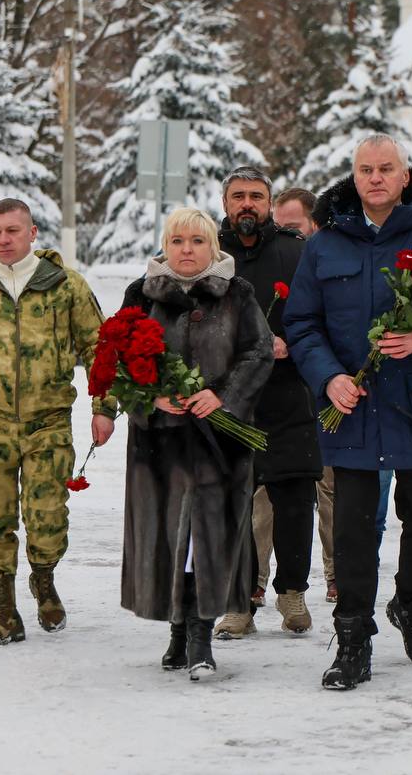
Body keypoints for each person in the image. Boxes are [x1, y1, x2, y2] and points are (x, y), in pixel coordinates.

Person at [285, 133, 412, 691]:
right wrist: (329, 378)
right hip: (355, 406)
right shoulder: (325, 244)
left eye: (386, 169)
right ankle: (352, 637)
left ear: (404, 176)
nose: (375, 178)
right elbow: (301, 323)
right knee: (352, 527)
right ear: (354, 177)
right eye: (365, 169)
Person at [0, 199, 117, 645]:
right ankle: (4, 612)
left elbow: (99, 349)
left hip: (47, 423)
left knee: (47, 517)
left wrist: (104, 408)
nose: (3, 240)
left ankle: (44, 580)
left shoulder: (66, 286)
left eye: (13, 231)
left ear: (32, 233)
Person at [118, 206, 273, 679]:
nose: (187, 250)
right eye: (178, 241)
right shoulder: (140, 295)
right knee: (167, 538)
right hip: (158, 444)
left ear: (213, 246)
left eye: (197, 241)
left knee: (209, 539)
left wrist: (221, 396)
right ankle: (177, 630)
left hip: (217, 442)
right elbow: (116, 358)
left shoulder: (238, 293)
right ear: (166, 245)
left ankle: (201, 635)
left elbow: (259, 351)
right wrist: (152, 398)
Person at [213, 167, 322, 640]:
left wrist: (291, 343)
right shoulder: (209, 257)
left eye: (256, 196)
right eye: (238, 197)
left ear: (270, 204)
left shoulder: (297, 253)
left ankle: (292, 591)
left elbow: (320, 315)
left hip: (287, 393)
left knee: (295, 499)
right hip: (228, 400)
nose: (247, 205)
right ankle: (238, 602)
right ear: (225, 205)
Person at [272, 186, 339, 600]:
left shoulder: (327, 260)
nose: (284, 235)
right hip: (281, 393)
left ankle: (337, 573)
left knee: (331, 490)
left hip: (327, 387)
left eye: (292, 228)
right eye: (278, 227)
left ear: (312, 226)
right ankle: (260, 584)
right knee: (273, 497)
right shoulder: (274, 261)